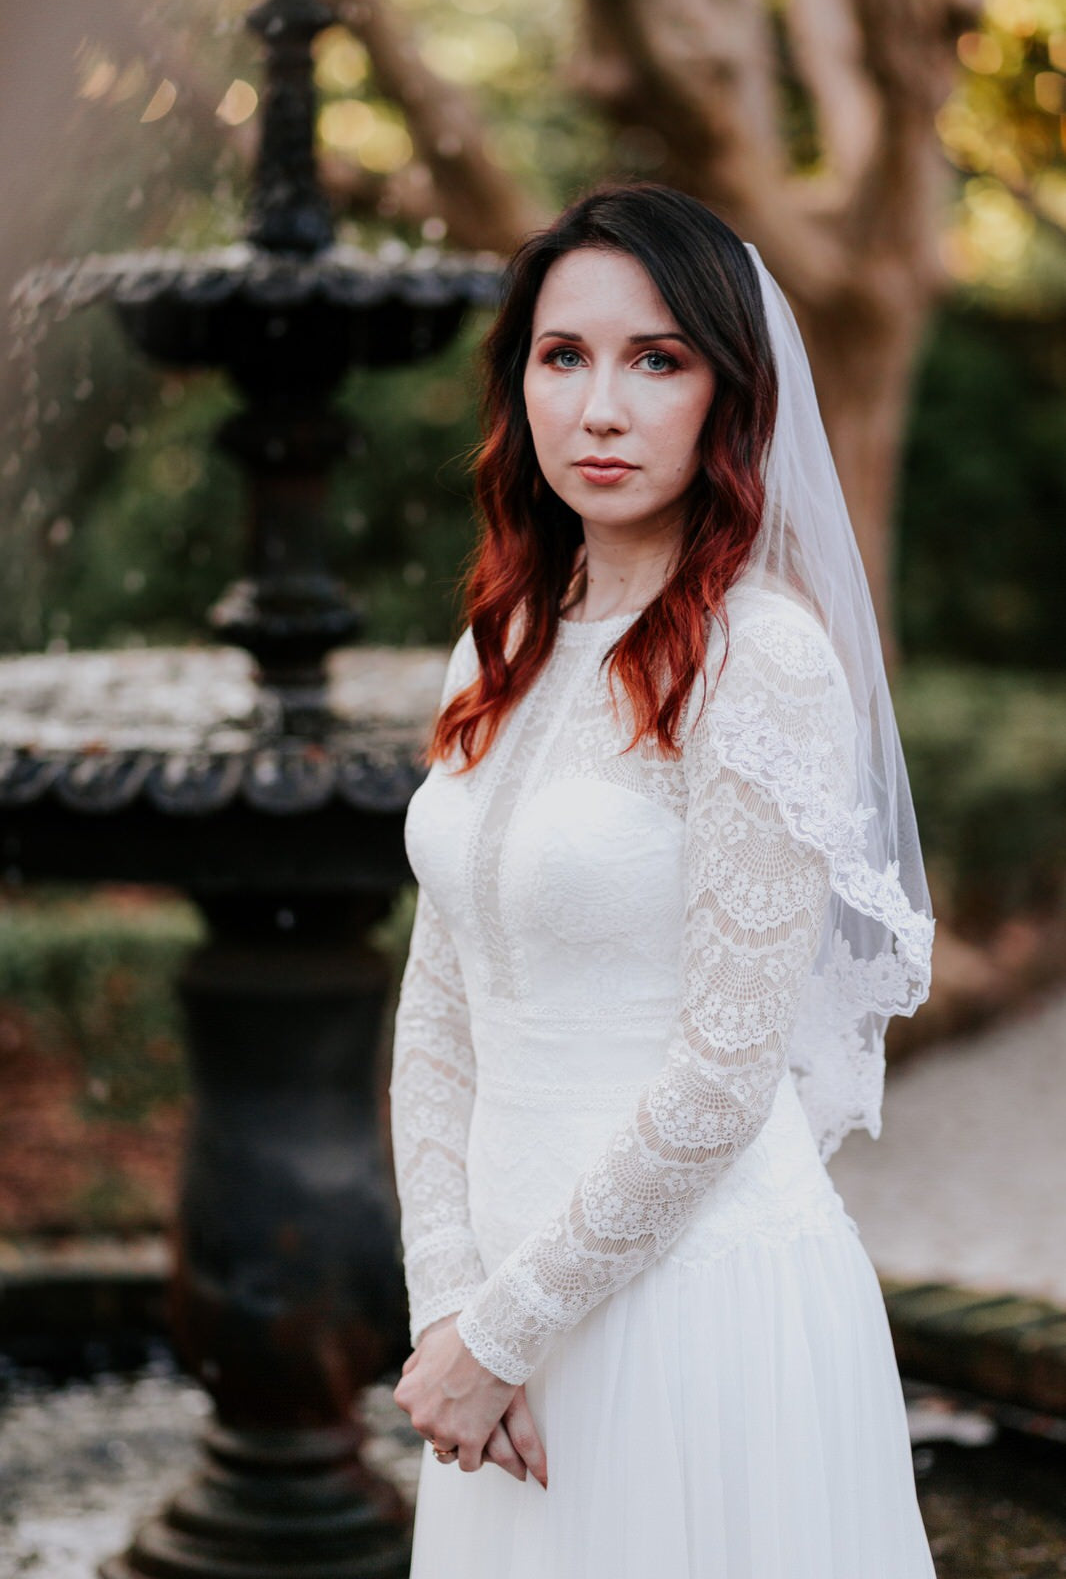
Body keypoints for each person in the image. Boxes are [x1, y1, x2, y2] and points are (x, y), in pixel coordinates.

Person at [389, 182, 937, 1578]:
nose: (601, 408)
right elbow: (436, 1010)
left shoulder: (763, 661)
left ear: (727, 394)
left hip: (691, 1306)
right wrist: (450, 1307)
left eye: (658, 359)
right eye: (562, 356)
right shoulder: (494, 649)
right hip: (497, 1323)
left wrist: (504, 1332)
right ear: (519, 385)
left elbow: (722, 1071)